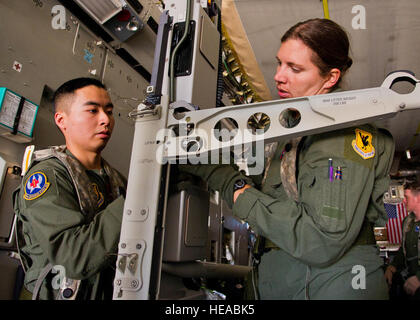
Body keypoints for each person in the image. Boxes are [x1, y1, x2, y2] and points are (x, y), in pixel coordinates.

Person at [180, 18, 395, 299]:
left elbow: (321, 241)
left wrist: (219, 174)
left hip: (330, 284)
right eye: (280, 63)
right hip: (288, 280)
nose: (279, 75)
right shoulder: (293, 128)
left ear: (330, 77)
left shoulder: (340, 134)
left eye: (294, 68)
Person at [13, 78, 126, 300]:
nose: (106, 120)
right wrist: (136, 200)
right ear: (62, 120)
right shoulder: (47, 176)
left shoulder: (117, 180)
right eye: (92, 110)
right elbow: (75, 257)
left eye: (109, 111)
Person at [384, 177, 420, 299]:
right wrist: (392, 266)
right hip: (408, 280)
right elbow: (403, 249)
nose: (403, 201)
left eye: (406, 197)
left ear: (418, 198)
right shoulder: (408, 221)